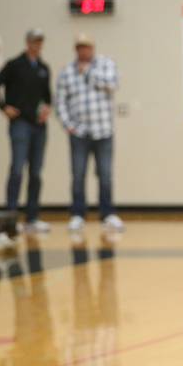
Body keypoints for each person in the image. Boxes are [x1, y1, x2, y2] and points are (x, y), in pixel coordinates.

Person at [56, 33, 124, 233]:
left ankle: (107, 214)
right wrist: (69, 125)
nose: (84, 51)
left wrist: (88, 74)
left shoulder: (105, 64)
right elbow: (60, 102)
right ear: (76, 49)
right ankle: (77, 215)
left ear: (93, 48)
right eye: (80, 47)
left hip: (103, 131)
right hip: (79, 134)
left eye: (87, 47)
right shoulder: (67, 72)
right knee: (78, 175)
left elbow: (113, 85)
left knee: (105, 175)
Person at [0, 28, 52, 234]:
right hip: (20, 125)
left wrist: (46, 109)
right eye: (34, 41)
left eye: (40, 41)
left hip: (39, 126)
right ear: (27, 43)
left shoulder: (43, 68)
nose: (37, 45)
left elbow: (47, 97)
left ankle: (32, 217)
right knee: (17, 169)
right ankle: (11, 216)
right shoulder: (15, 65)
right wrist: (4, 106)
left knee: (36, 172)